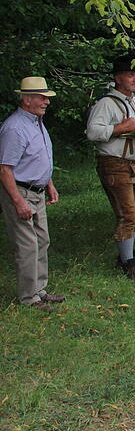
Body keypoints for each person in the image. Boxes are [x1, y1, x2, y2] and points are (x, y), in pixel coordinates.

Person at [87, 51, 135, 279]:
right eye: (131, 75)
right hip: (115, 163)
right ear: (118, 78)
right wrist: (120, 129)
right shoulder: (107, 103)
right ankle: (128, 261)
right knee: (127, 214)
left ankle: (126, 253)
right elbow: (93, 132)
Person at [0, 77, 61, 310]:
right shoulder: (15, 128)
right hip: (20, 191)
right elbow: (5, 169)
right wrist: (18, 202)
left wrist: (49, 183)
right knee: (27, 245)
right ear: (27, 99)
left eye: (47, 97)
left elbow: (39, 157)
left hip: (37, 191)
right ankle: (29, 297)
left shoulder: (36, 122)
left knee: (42, 240)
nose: (46, 102)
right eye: (42, 97)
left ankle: (39, 289)